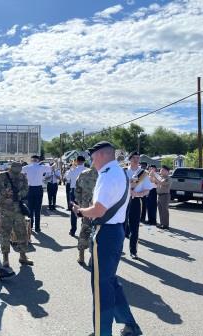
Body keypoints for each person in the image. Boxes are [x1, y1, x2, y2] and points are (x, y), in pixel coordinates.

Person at [72, 141, 142, 336]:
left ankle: (103, 332)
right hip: (116, 231)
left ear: (102, 155)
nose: (92, 162)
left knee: (101, 287)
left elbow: (98, 210)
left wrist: (79, 212)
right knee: (110, 282)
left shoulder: (106, 175)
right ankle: (131, 326)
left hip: (106, 233)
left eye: (93, 157)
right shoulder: (120, 172)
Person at [0, 162, 34, 267]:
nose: (16, 175)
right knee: (5, 234)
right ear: (10, 169)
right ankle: (5, 259)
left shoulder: (23, 177)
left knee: (22, 233)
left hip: (18, 210)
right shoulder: (1, 176)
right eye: (14, 172)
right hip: (5, 209)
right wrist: (5, 193)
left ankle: (23, 256)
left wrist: (19, 194)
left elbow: (26, 189)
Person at [126, 152, 153, 260]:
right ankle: (117, 250)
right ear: (130, 159)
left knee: (134, 228)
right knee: (120, 226)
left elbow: (147, 190)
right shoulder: (123, 171)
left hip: (136, 201)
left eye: (138, 158)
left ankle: (133, 251)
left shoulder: (143, 173)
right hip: (122, 202)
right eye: (134, 158)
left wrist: (138, 194)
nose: (136, 160)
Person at [74, 166, 98, 265]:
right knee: (97, 232)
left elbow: (77, 190)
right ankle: (93, 257)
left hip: (86, 208)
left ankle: (81, 256)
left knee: (84, 230)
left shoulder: (83, 173)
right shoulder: (105, 175)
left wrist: (80, 204)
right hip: (99, 209)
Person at [22, 155, 51, 232]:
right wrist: (56, 162)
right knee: (38, 209)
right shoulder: (41, 167)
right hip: (38, 188)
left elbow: (20, 172)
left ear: (31, 160)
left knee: (30, 208)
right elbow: (51, 168)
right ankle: (37, 227)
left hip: (30, 188)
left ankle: (30, 226)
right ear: (38, 160)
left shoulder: (27, 167)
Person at [66, 155, 86, 237]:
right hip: (84, 192)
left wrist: (72, 168)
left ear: (77, 161)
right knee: (84, 211)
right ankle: (83, 231)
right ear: (84, 162)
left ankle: (73, 230)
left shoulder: (73, 169)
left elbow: (67, 178)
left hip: (74, 191)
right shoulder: (87, 170)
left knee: (73, 211)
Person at [155, 165, 171, 230]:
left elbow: (161, 183)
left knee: (164, 211)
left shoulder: (168, 178)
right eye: (161, 170)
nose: (160, 171)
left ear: (167, 171)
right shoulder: (161, 177)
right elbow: (154, 182)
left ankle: (166, 225)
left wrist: (155, 176)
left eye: (162, 170)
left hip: (165, 195)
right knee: (160, 210)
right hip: (159, 195)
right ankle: (162, 223)